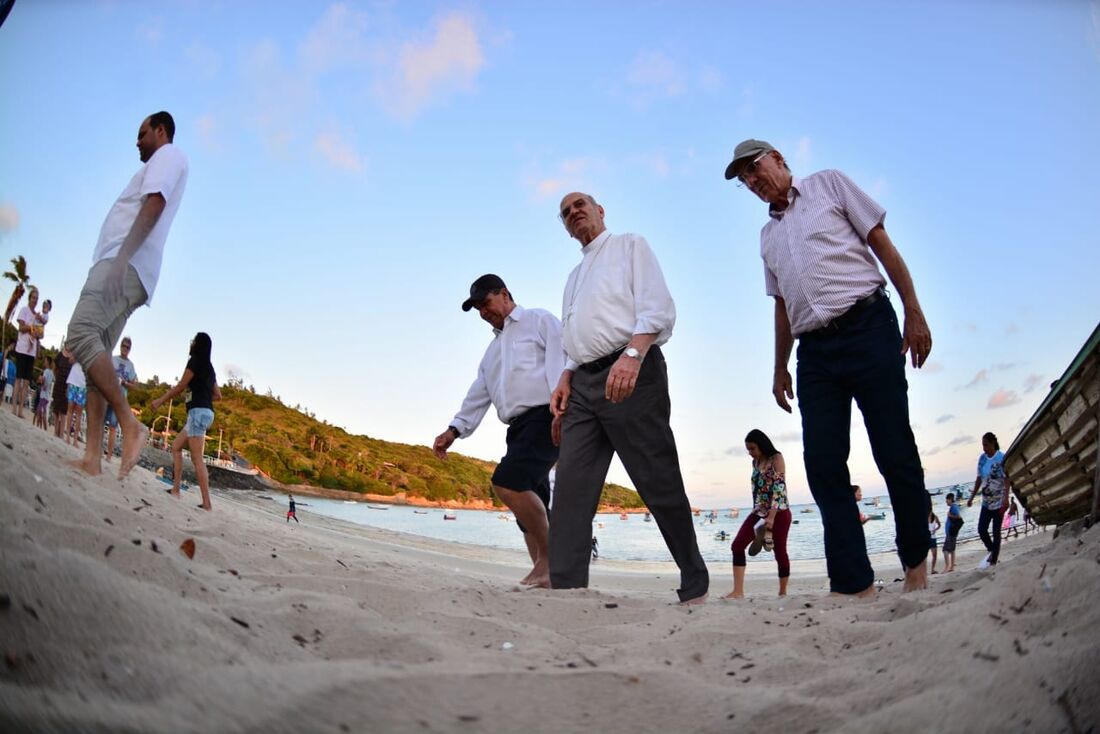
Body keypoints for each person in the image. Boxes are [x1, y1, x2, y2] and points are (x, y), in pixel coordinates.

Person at [726, 139, 933, 595]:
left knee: (893, 446)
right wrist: (779, 367)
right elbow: (782, 305)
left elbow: (882, 244)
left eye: (754, 168)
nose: (752, 181)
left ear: (779, 158)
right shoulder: (767, 238)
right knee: (822, 463)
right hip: (814, 353)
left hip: (868, 324)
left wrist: (913, 309)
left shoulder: (829, 185)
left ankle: (916, 563)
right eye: (743, 179)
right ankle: (854, 583)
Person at [549, 192, 709, 604]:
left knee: (656, 477)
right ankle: (566, 589)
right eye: (565, 213)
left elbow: (657, 307)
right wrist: (565, 375)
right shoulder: (573, 277)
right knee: (569, 486)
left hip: (630, 369)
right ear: (565, 227)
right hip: (582, 384)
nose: (574, 212)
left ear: (600, 211)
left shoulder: (629, 245)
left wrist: (633, 356)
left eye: (580, 204)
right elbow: (575, 336)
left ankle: (694, 580)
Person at [65, 111, 189, 479]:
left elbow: (155, 202)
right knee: (97, 358)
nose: (137, 141)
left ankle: (129, 423)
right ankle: (92, 459)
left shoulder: (168, 155)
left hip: (125, 263)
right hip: (133, 267)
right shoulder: (164, 160)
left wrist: (121, 258)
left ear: (161, 131)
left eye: (142, 133)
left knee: (80, 333)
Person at [432, 274, 564, 588]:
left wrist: (562, 410)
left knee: (508, 481)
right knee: (529, 505)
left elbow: (561, 363)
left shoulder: (539, 320)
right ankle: (544, 575)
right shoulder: (491, 352)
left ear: (504, 294)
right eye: (478, 308)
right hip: (517, 428)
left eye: (486, 303)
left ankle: (550, 563)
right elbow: (479, 394)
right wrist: (453, 430)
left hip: (545, 417)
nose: (483, 312)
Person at [151, 333, 219, 512]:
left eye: (194, 341)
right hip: (205, 412)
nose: (192, 343)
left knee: (197, 459)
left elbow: (181, 386)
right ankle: (175, 489)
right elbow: (217, 395)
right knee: (176, 446)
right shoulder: (210, 367)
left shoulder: (194, 361)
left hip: (197, 413)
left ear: (198, 344)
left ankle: (207, 503)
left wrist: (160, 400)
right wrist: (202, 397)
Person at [725, 429, 794, 599]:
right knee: (737, 546)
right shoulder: (755, 463)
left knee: (780, 552)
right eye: (748, 449)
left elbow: (779, 487)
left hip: (779, 513)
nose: (750, 452)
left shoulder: (776, 458)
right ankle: (738, 591)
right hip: (759, 512)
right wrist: (758, 512)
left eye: (752, 448)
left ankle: (782, 592)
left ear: (762, 445)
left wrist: (771, 516)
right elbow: (757, 490)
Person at [968, 432, 1011, 568]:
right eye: (983, 445)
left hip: (999, 503)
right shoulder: (982, 459)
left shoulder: (1001, 457)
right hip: (986, 503)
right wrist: (972, 497)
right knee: (981, 530)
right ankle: (992, 551)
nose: (984, 448)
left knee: (996, 532)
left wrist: (1006, 499)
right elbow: (979, 479)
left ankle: (993, 562)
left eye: (986, 445)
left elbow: (1007, 479)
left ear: (993, 443)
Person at [104, 337, 138, 462]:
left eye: (128, 347)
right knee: (100, 422)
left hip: (119, 399)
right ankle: (96, 449)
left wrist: (124, 382)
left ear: (130, 349)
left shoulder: (131, 366)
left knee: (113, 426)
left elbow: (134, 385)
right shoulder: (113, 359)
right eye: (124, 346)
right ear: (120, 346)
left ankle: (109, 455)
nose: (125, 348)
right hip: (108, 394)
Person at [13, 286, 44, 418]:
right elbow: (21, 327)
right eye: (33, 298)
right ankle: (14, 408)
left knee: (26, 382)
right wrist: (31, 327)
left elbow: (41, 334)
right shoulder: (24, 310)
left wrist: (37, 332)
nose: (35, 300)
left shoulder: (38, 316)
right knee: (18, 379)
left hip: (31, 352)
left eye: (36, 298)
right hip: (22, 348)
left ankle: (20, 410)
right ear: (29, 298)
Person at [51, 347, 73, 439]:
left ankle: (61, 434)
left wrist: (69, 386)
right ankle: (56, 431)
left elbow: (73, 372)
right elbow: (54, 367)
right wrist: (56, 376)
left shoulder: (72, 356)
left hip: (67, 385)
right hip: (58, 382)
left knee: (63, 410)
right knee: (56, 408)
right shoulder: (60, 354)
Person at [65, 361, 87, 447]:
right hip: (73, 379)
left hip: (83, 384)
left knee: (79, 413)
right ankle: (67, 436)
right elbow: (71, 360)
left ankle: (75, 440)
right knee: (70, 409)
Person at [942, 493, 963, 572]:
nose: (946, 502)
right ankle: (951, 567)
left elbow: (959, 516)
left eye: (947, 500)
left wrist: (950, 515)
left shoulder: (953, 507)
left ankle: (947, 566)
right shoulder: (953, 507)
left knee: (945, 550)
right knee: (952, 549)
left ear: (950, 499)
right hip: (952, 532)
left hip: (951, 532)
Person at [34, 356, 54, 430]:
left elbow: (43, 381)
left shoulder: (46, 371)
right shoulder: (51, 372)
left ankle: (39, 426)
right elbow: (50, 382)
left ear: (47, 362)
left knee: (39, 411)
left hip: (43, 394)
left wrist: (40, 379)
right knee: (43, 411)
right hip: (47, 395)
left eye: (45, 361)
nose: (44, 362)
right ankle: (43, 428)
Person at [928, 505, 942, 574]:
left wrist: (935, 529)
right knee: (923, 555)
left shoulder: (935, 517)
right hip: (926, 538)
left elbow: (939, 525)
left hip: (933, 538)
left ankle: (932, 569)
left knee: (935, 555)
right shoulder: (924, 517)